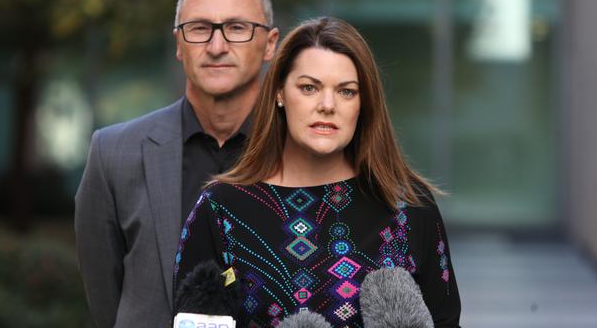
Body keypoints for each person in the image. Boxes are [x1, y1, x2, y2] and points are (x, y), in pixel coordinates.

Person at [173, 17, 461, 327]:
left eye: (346, 91)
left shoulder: (409, 207)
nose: (327, 105)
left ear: (364, 104)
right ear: (280, 93)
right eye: (309, 87)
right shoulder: (221, 209)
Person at [74, 0, 279, 327]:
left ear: (270, 44)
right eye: (200, 29)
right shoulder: (113, 154)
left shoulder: (305, 150)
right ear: (179, 45)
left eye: (236, 28)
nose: (217, 46)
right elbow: (105, 297)